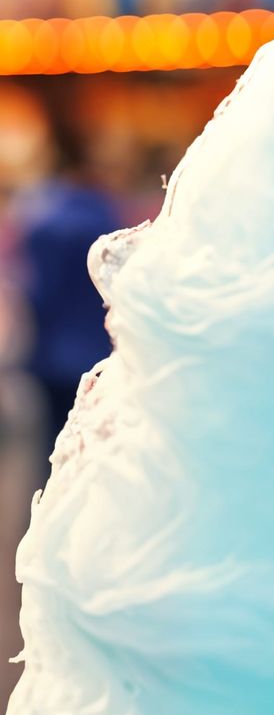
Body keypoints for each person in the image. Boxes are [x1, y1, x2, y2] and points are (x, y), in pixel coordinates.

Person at [8, 81, 124, 483]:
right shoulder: (107, 214)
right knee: (91, 454)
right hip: (96, 350)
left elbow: (35, 294)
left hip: (50, 355)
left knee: (52, 455)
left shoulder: (41, 220)